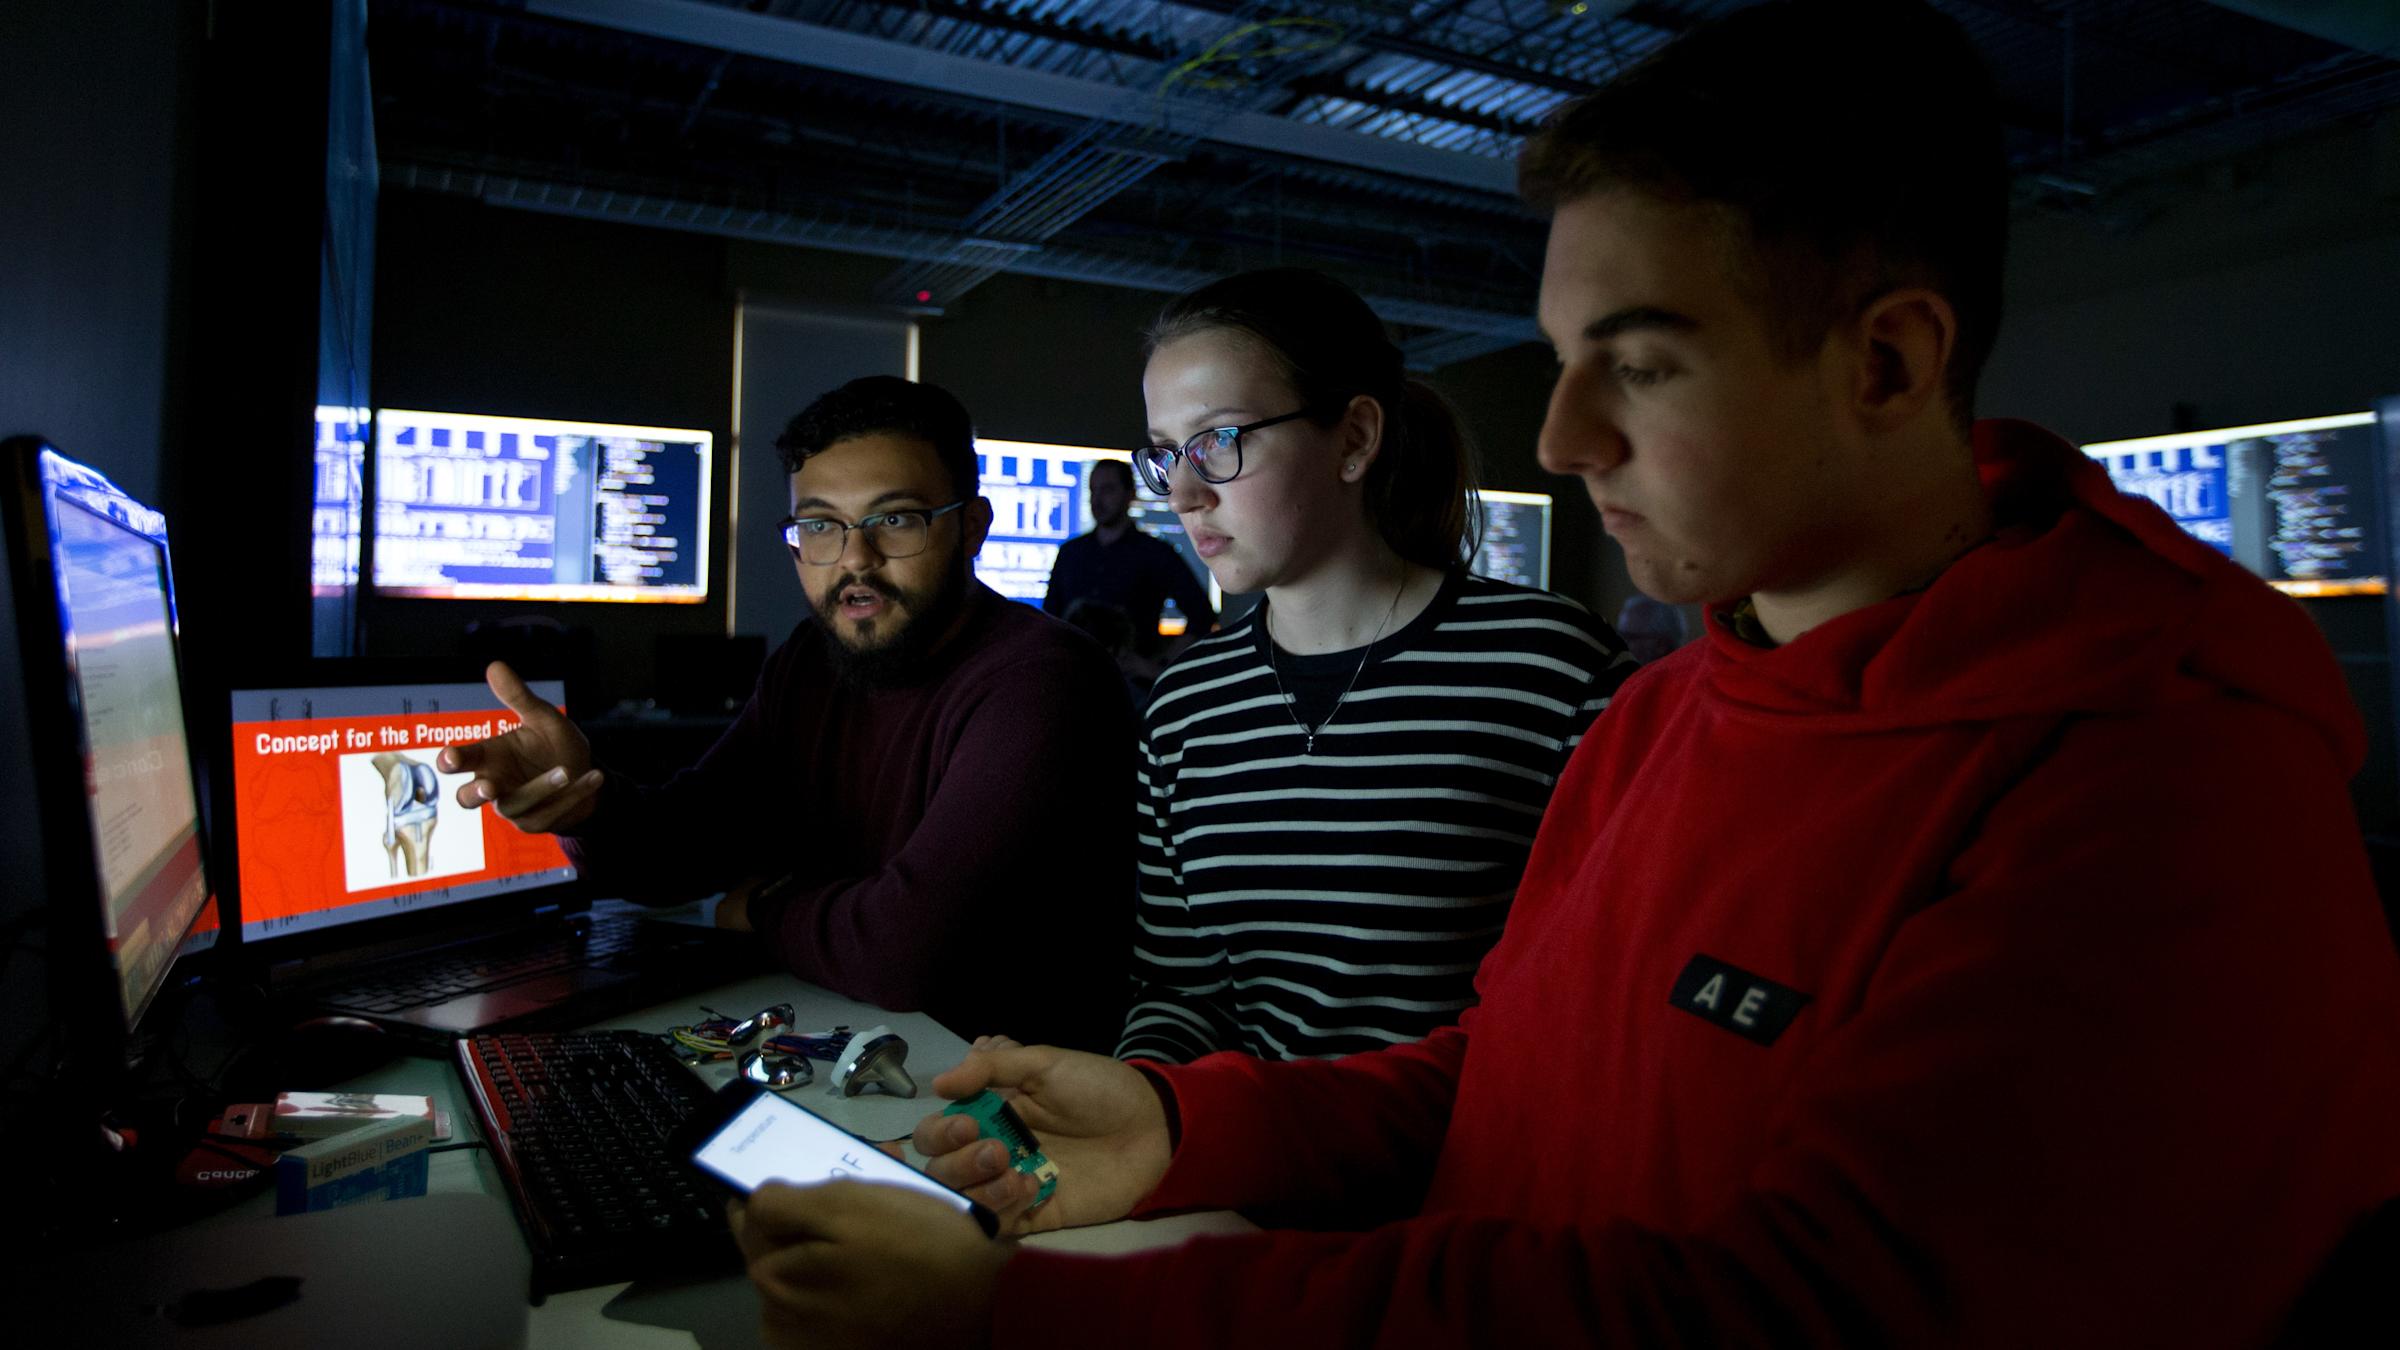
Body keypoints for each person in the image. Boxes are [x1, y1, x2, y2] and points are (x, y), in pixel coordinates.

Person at [726, 2, 2400, 1346]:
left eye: (1642, 365)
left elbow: (1807, 1310)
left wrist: (1044, 1319)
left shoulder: (2166, 777)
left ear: (1887, 361)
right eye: (1562, 360)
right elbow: (1502, 1081)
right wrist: (1188, 1125)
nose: (1561, 437)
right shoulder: (1678, 706)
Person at [437, 376, 1134, 1051]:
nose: (854, 560)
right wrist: (585, 800)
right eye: (821, 525)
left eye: (895, 520)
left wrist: (765, 906)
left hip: (1007, 1103)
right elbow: (686, 844)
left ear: (971, 528)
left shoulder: (1043, 680)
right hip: (857, 1045)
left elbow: (905, 950)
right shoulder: (813, 660)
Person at [1116, 266, 1634, 1063]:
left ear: (1354, 439)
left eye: (1218, 442)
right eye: (1164, 454)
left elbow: (1595, 1006)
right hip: (1233, 1164)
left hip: (1467, 1174)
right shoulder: (1189, 705)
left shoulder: (1549, 668)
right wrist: (1141, 1109)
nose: (1182, 493)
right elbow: (1181, 992)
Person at [1041, 457, 1216, 688]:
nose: (1097, 499)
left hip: (1130, 689)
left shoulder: (1155, 553)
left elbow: (1202, 614)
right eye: (1093, 490)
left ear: (1129, 494)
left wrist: (1159, 666)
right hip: (1071, 680)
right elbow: (1048, 618)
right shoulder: (1070, 552)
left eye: (1108, 489)